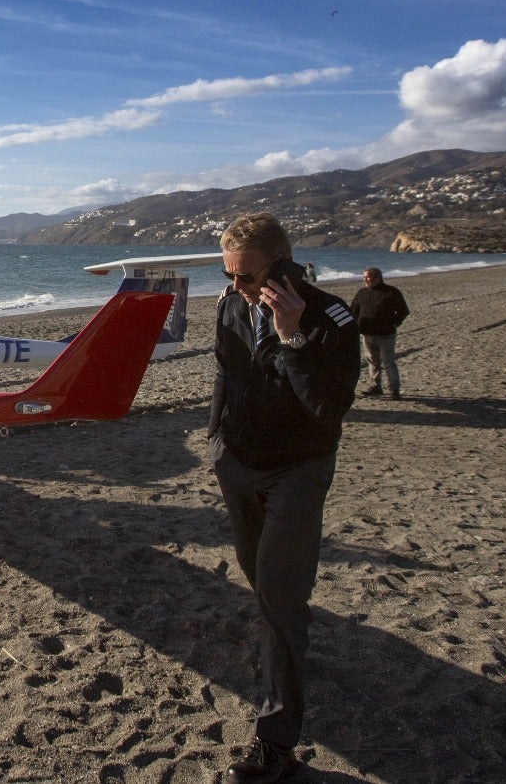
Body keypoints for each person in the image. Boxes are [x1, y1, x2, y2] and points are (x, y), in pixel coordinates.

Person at [209, 214, 359, 783]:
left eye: (247, 277)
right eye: (230, 275)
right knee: (262, 582)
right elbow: (226, 368)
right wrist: (216, 436)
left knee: (279, 598)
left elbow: (327, 408)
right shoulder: (230, 303)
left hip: (298, 469)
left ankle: (276, 745)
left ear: (285, 266)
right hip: (238, 465)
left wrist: (293, 336)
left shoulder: (331, 318)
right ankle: (287, 648)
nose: (238, 287)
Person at [350, 267, 410, 399]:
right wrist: (355, 326)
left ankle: (394, 389)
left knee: (388, 361)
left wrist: (394, 323)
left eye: (368, 277)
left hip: (386, 334)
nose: (366, 280)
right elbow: (353, 311)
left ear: (378, 277)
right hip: (367, 333)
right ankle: (376, 386)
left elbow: (403, 311)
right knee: (372, 362)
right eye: (364, 277)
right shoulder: (362, 292)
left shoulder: (391, 292)